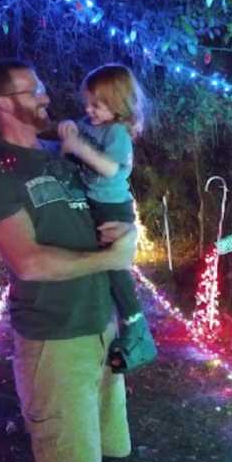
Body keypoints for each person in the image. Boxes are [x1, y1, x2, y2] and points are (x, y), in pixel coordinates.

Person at [0, 58, 138, 462]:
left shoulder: (59, 154)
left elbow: (106, 192)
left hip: (102, 327)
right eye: (33, 90)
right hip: (56, 344)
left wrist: (123, 229)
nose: (46, 96)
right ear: (5, 104)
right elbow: (27, 262)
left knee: (108, 452)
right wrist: (109, 259)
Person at [58, 63, 157, 373]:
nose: (88, 110)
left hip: (113, 208)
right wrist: (66, 128)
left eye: (96, 105)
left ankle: (137, 327)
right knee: (101, 265)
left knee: (114, 267)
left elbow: (109, 168)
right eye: (87, 103)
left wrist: (76, 147)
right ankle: (119, 323)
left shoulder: (117, 134)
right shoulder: (93, 124)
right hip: (94, 203)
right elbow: (68, 129)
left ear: (117, 106)